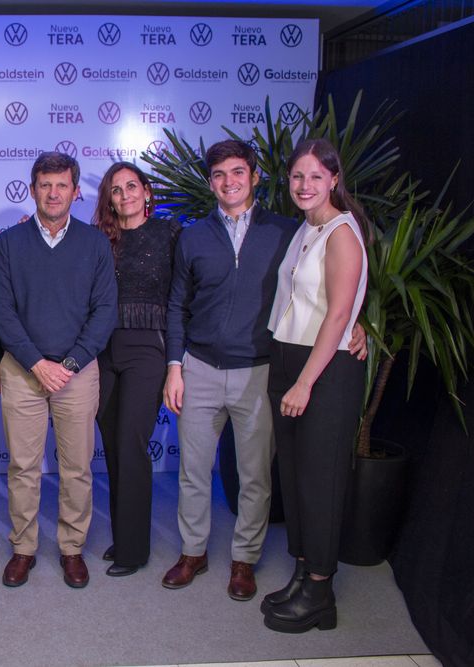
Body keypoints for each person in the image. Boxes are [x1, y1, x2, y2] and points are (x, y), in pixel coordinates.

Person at [162, 139, 366, 602]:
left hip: (259, 371)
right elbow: (177, 305)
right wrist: (175, 366)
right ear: (209, 181)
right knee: (193, 471)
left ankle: (243, 561)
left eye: (238, 172)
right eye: (218, 175)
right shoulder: (192, 237)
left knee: (255, 475)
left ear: (254, 177)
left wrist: (360, 324)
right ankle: (193, 553)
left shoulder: (289, 232)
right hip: (199, 368)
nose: (228, 182)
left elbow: (333, 289)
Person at [0, 151, 117, 589]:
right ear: (32, 189)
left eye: (62, 185)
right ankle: (23, 547)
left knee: (77, 467)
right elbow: (1, 310)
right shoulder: (9, 243)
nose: (53, 192)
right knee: (23, 467)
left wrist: (71, 363)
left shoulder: (95, 243)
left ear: (76, 191)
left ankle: (71, 548)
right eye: (45, 184)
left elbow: (104, 311)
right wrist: (36, 363)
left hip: (76, 373)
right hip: (24, 370)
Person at [262, 138, 368, 633]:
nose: (305, 186)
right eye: (297, 177)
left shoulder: (342, 232)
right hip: (288, 358)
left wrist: (305, 382)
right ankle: (305, 573)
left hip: (322, 370)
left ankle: (321, 591)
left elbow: (341, 313)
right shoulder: (306, 228)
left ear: (334, 180)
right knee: (298, 478)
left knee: (321, 481)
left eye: (315, 177)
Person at [92, 162, 181, 577]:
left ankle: (134, 550)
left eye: (131, 186)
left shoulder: (170, 234)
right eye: (115, 189)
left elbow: (186, 294)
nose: (124, 194)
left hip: (148, 349)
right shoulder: (99, 239)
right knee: (111, 445)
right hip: (103, 351)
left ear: (147, 192)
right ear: (108, 199)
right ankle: (123, 536)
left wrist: (177, 361)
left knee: (131, 444)